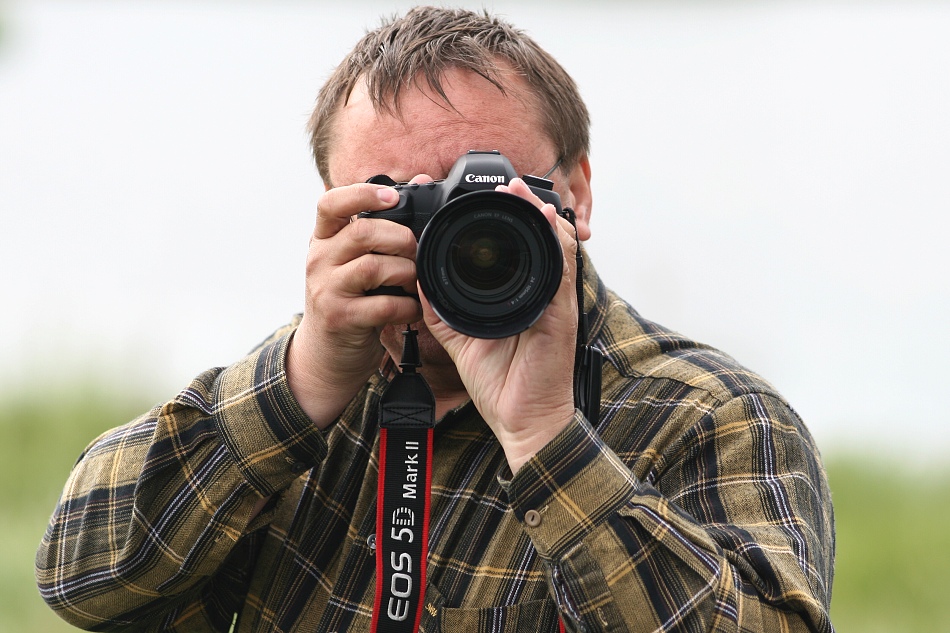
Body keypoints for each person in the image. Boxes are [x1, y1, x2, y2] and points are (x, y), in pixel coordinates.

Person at [36, 6, 835, 632]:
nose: (450, 239)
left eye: (482, 195)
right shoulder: (314, 396)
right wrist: (301, 383)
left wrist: (548, 439)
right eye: (399, 203)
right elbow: (78, 578)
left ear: (577, 193)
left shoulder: (708, 416)